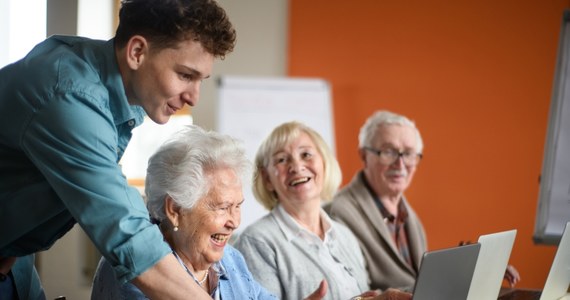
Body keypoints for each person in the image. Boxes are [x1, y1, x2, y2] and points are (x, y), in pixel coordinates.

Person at [0, 0, 236, 298]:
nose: (193, 97)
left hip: (17, 265)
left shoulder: (116, 93)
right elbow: (128, 237)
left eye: (200, 80)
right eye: (185, 75)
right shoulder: (69, 94)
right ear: (137, 52)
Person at [91, 125, 329, 300]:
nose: (234, 222)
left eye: (238, 206)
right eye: (223, 208)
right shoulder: (138, 270)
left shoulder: (231, 260)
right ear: (175, 210)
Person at [324, 110, 521, 292]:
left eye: (408, 154)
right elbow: (354, 291)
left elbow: (415, 279)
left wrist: (470, 269)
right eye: (388, 152)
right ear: (364, 156)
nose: (400, 164)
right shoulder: (339, 213)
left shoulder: (406, 213)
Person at [233, 121, 412, 300]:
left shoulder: (345, 236)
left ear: (325, 164)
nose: (296, 166)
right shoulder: (256, 243)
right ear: (267, 179)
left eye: (306, 154)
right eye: (281, 159)